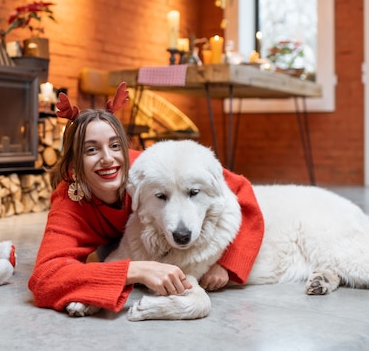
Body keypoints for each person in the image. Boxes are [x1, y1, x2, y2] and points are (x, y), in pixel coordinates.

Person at [28, 83, 265, 315]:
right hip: (122, 246)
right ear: (74, 163)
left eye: (115, 145)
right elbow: (45, 279)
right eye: (91, 150)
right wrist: (135, 270)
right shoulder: (70, 202)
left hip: (132, 240)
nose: (108, 158)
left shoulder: (149, 168)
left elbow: (241, 188)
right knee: (103, 256)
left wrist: (227, 262)